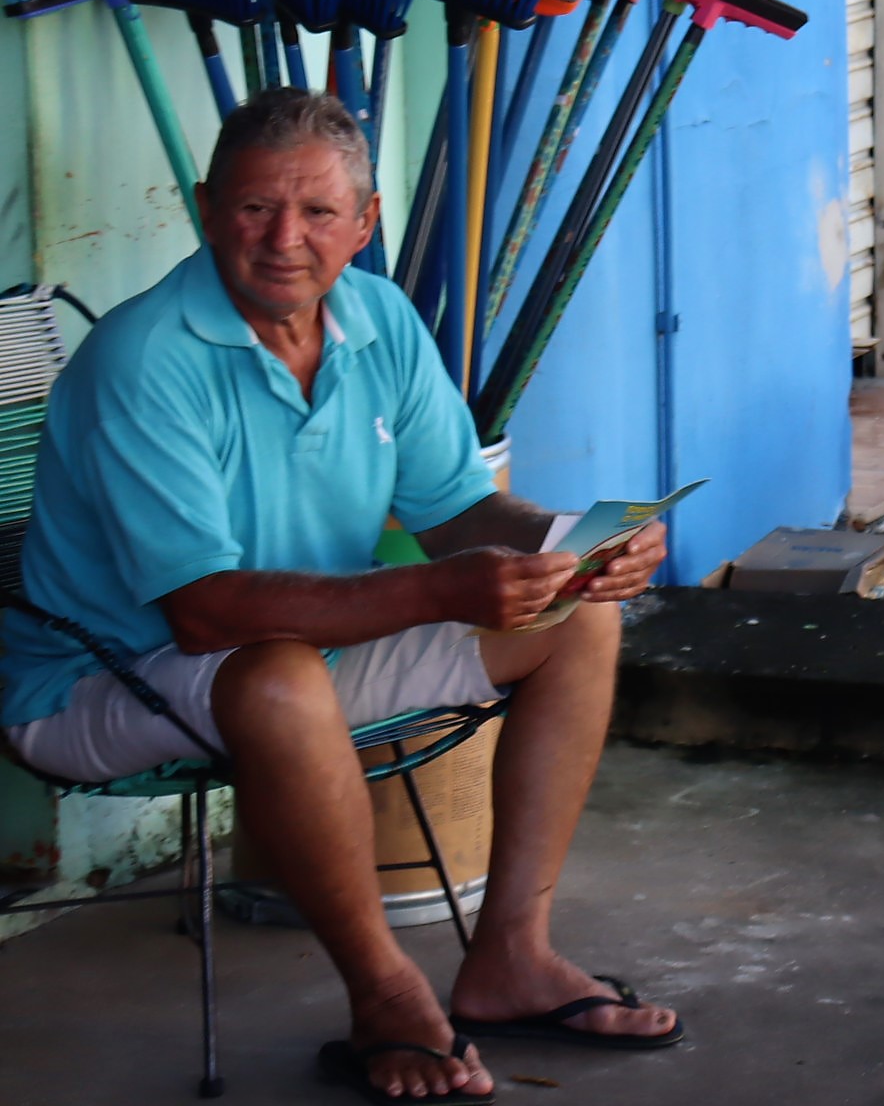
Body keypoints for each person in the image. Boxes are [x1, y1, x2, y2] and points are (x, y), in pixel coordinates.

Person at [0, 90, 681, 1101]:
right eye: (253, 208)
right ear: (204, 207)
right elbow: (205, 616)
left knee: (578, 618)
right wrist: (438, 587)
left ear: (364, 225)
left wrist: (570, 546)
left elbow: (454, 509)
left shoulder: (381, 320)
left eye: (320, 212)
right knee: (274, 678)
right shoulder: (144, 359)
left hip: (300, 652)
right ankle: (386, 998)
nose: (286, 240)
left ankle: (510, 957)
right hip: (97, 678)